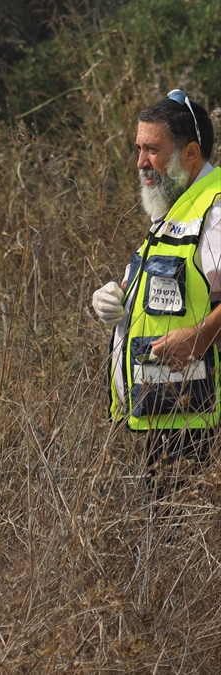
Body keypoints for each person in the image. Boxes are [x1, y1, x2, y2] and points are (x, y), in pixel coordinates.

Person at [91, 89, 220, 468]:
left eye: (152, 150)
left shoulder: (214, 209)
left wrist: (200, 336)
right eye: (138, 149)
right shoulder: (177, 207)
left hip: (201, 426)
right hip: (170, 418)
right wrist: (120, 301)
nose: (140, 163)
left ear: (191, 153)